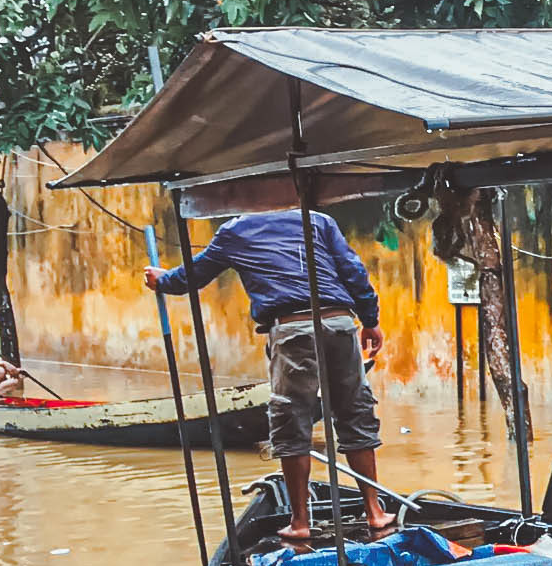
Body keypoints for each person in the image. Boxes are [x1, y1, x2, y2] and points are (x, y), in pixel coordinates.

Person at [146, 210, 392, 546]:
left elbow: (191, 276)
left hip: (291, 328)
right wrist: (370, 318)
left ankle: (300, 522)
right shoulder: (317, 220)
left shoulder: (234, 230)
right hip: (339, 324)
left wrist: (161, 280)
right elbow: (353, 272)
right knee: (355, 414)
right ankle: (375, 511)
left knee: (292, 421)